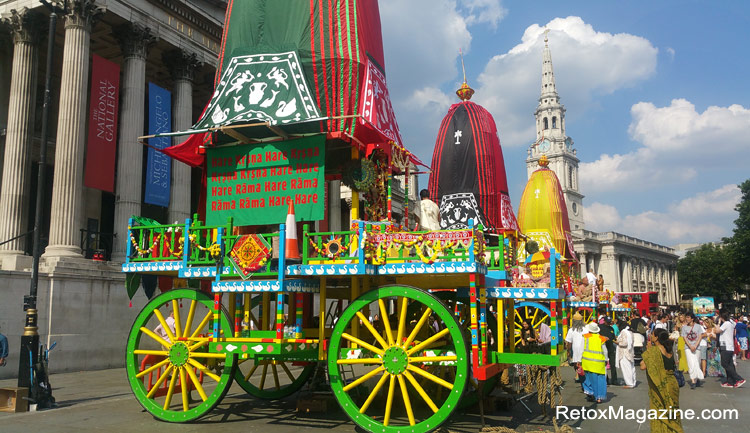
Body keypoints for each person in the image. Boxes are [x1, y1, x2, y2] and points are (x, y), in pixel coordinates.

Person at [640, 328, 683, 433]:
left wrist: (649, 351)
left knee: (659, 412)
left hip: (661, 385)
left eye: (653, 334)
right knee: (672, 412)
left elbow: (642, 366)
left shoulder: (654, 351)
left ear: (657, 338)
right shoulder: (669, 350)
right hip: (673, 383)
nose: (651, 335)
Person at [714, 311, 745, 387]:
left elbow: (717, 331)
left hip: (726, 346)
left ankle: (739, 378)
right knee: (730, 364)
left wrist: (718, 323)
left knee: (724, 364)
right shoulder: (731, 323)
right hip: (728, 346)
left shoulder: (726, 324)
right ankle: (730, 381)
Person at [582, 322, 608, 403]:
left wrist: (578, 360)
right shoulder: (601, 338)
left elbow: (581, 349)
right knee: (600, 379)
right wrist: (606, 360)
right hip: (599, 362)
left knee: (589, 379)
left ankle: (591, 392)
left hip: (587, 362)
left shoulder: (585, 337)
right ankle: (599, 397)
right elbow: (605, 351)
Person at [681, 313, 705, 389]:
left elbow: (700, 336)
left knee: (697, 362)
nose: (686, 319)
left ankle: (697, 377)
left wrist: (695, 345)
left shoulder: (698, 327)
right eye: (686, 317)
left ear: (692, 318)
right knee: (690, 362)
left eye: (688, 317)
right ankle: (693, 380)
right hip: (688, 347)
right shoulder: (684, 327)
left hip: (697, 346)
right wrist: (690, 346)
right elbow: (684, 337)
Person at [565, 312, 586, 384]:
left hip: (575, 348)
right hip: (584, 348)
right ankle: (580, 375)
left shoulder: (571, 330)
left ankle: (578, 374)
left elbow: (569, 342)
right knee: (582, 362)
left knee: (575, 363)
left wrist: (568, 351)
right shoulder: (585, 329)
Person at [616, 320, 636, 388]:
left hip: (624, 353)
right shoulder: (630, 332)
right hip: (630, 352)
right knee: (631, 368)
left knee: (626, 368)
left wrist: (617, 342)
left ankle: (629, 383)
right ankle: (633, 382)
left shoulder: (624, 332)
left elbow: (624, 343)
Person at [599, 316, 618, 385]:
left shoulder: (611, 328)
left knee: (613, 364)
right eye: (608, 322)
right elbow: (596, 335)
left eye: (610, 322)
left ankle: (614, 380)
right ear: (604, 321)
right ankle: (605, 379)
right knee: (604, 364)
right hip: (603, 348)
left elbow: (613, 338)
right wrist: (603, 338)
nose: (609, 323)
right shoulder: (600, 327)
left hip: (610, 347)